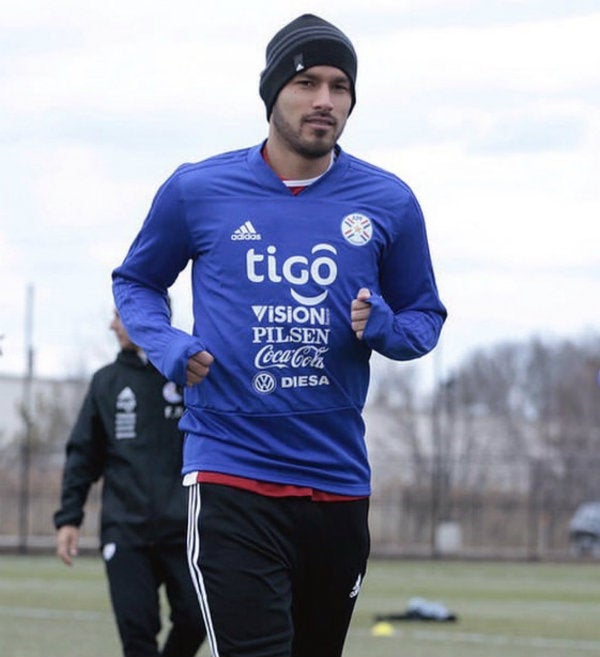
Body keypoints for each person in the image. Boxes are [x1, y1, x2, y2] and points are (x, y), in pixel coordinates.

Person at [112, 13, 447, 657]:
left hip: (338, 482)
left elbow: (423, 319)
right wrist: (168, 346)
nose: (325, 101)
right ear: (272, 93)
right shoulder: (197, 190)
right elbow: (136, 283)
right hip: (231, 472)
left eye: (340, 86)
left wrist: (384, 329)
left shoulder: (389, 201)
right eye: (307, 83)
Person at [54, 310, 206, 657]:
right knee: (137, 635)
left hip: (185, 529)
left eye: (120, 316)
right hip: (125, 530)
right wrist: (68, 518)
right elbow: (82, 455)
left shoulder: (189, 374)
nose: (112, 325)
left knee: (196, 618)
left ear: (148, 317)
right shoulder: (106, 382)